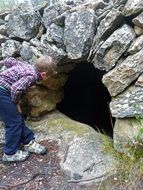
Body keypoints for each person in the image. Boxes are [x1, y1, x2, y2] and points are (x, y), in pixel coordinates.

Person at [0, 56, 57, 162]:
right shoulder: (31, 76)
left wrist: (4, 61)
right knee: (14, 122)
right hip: (2, 92)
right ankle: (9, 153)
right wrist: (16, 103)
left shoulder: (25, 65)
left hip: (3, 90)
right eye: (48, 77)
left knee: (17, 118)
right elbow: (15, 88)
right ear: (43, 74)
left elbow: (10, 61)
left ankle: (28, 142)